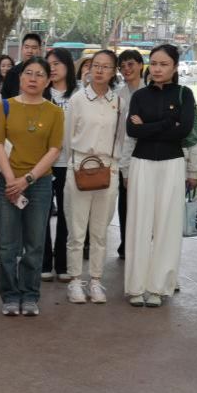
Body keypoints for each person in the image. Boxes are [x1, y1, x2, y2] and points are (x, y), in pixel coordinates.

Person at [124, 44, 196, 308]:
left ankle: (158, 287)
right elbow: (132, 131)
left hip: (172, 163)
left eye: (164, 64)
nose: (157, 69)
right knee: (138, 223)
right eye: (153, 63)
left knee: (167, 225)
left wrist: (149, 126)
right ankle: (136, 286)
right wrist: (167, 123)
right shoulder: (139, 96)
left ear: (175, 67)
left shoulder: (184, 94)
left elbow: (184, 129)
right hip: (141, 162)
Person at [0, 56, 63, 316]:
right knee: (7, 244)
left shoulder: (55, 112)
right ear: (20, 77)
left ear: (48, 80)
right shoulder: (5, 106)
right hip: (7, 182)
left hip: (39, 183)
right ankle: (10, 295)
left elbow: (54, 149)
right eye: (28, 73)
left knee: (35, 244)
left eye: (39, 74)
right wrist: (12, 179)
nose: (33, 79)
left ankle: (30, 295)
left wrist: (27, 179)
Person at [64, 50, 123, 304]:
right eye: (95, 65)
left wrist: (115, 166)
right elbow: (67, 138)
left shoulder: (118, 102)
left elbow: (121, 138)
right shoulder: (77, 99)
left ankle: (96, 280)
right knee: (77, 231)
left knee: (100, 231)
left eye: (106, 66)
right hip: (80, 166)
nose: (99, 70)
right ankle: (75, 280)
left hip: (108, 169)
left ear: (114, 71)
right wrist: (75, 164)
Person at [41, 47, 77, 281]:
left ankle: (62, 263)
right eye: (49, 64)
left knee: (67, 214)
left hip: (69, 163)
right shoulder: (41, 94)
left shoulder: (79, 95)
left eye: (57, 64)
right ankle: (44, 262)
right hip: (43, 164)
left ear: (67, 66)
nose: (52, 68)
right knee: (42, 214)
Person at [114, 49, 145, 260]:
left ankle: (143, 244)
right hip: (122, 156)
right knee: (125, 202)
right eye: (122, 66)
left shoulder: (150, 92)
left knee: (144, 204)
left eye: (131, 64)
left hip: (145, 155)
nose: (126, 69)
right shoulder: (118, 95)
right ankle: (126, 244)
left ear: (141, 65)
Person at [0, 32, 44, 98]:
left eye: (34, 48)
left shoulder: (45, 72)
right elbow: (5, 97)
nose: (30, 51)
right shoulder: (12, 73)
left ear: (40, 50)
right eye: (27, 47)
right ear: (22, 49)